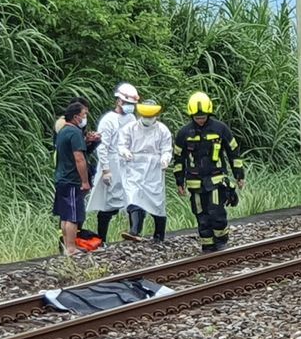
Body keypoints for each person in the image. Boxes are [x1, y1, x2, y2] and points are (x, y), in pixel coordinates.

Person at [173, 92, 245, 253]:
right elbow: (178, 159)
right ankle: (207, 245)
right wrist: (179, 181)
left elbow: (233, 152)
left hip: (216, 179)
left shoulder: (220, 129)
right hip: (194, 181)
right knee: (201, 214)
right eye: (197, 117)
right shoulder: (184, 133)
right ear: (191, 115)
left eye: (203, 116)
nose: (200, 119)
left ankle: (221, 241)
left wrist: (239, 175)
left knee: (216, 212)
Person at [86, 82, 139, 244]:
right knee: (108, 204)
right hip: (111, 164)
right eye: (128, 103)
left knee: (131, 198)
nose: (130, 107)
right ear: (119, 101)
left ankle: (134, 232)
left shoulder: (131, 118)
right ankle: (101, 239)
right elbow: (102, 146)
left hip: (126, 164)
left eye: (132, 104)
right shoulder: (108, 120)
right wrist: (106, 169)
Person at [118, 99, 173, 243]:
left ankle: (159, 235)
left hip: (154, 168)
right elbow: (122, 144)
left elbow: (167, 149)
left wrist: (165, 159)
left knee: (157, 202)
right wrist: (125, 152)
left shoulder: (162, 130)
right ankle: (135, 230)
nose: (147, 119)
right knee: (133, 196)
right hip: (134, 166)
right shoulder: (130, 128)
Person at [53, 102, 91, 256]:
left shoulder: (62, 131)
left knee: (65, 215)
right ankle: (71, 247)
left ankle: (67, 245)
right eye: (84, 115)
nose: (85, 118)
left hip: (61, 178)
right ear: (76, 117)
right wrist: (85, 181)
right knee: (73, 216)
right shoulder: (75, 132)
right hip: (72, 179)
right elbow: (79, 158)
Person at [53, 97, 100, 185]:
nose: (85, 117)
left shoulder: (77, 127)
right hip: (67, 167)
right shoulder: (65, 125)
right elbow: (69, 145)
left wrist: (90, 140)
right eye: (84, 113)